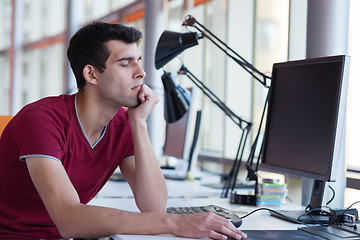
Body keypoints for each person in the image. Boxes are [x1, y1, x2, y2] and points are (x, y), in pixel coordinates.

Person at [0, 22, 247, 240]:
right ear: (91, 74)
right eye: (125, 63)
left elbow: (154, 208)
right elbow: (69, 219)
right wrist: (176, 222)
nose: (141, 72)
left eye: (138, 60)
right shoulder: (42, 120)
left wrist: (139, 123)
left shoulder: (123, 123)